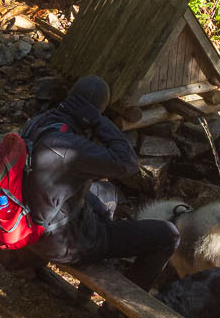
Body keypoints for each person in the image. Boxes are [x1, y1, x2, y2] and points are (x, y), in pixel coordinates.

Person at [15, 75, 180, 289]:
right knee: (168, 235)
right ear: (96, 110)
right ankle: (113, 314)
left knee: (106, 192)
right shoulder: (71, 148)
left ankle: (89, 280)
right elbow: (128, 163)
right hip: (59, 244)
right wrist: (100, 120)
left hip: (25, 222)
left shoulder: (41, 123)